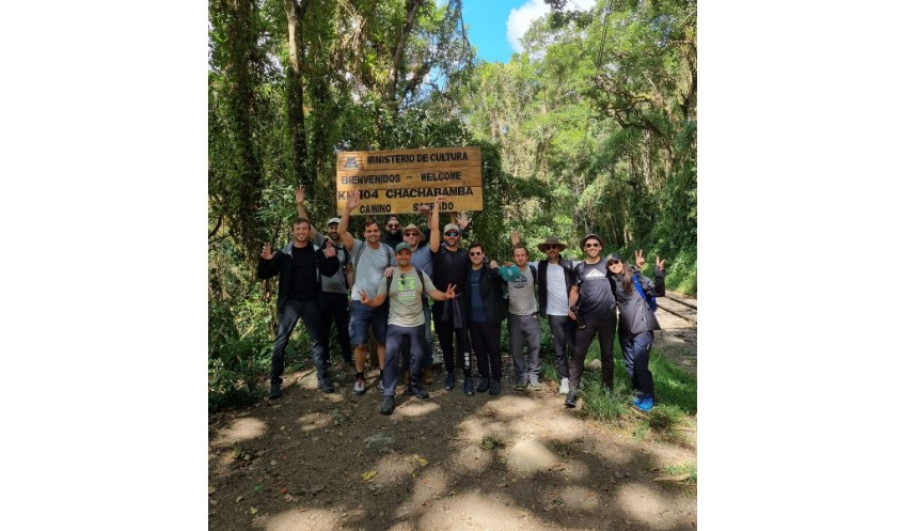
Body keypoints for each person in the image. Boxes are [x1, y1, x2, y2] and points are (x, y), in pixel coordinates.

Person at [359, 242, 457, 415]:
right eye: (400, 254)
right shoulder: (389, 277)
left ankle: (414, 385)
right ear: (396, 257)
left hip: (417, 323)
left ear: (409, 255)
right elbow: (380, 299)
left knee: (418, 355)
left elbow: (433, 292)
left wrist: (445, 295)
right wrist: (369, 301)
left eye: (406, 253)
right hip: (396, 323)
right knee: (390, 356)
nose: (403, 256)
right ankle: (389, 395)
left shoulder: (419, 274)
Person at [257, 218, 340, 399]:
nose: (301, 231)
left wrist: (332, 258)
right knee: (281, 341)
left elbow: (329, 271)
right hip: (291, 303)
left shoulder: (316, 251)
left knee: (318, 341)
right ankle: (275, 383)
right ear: (293, 231)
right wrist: (264, 261)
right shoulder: (285, 253)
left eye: (304, 229)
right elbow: (264, 274)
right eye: (298, 229)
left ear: (308, 231)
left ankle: (323, 377)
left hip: (311, 301)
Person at [337, 190, 395, 395]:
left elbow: (397, 271)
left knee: (382, 340)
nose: (372, 233)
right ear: (364, 234)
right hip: (359, 303)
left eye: (375, 231)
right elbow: (342, 231)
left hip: (380, 302)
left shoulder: (388, 251)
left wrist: (392, 269)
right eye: (369, 231)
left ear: (380, 232)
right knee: (360, 343)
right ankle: (360, 378)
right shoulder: (357, 248)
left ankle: (383, 375)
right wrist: (349, 209)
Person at [294, 188, 354, 366]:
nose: (334, 229)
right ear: (328, 229)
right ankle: (325, 360)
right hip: (323, 294)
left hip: (341, 295)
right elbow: (307, 227)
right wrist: (300, 204)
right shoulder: (322, 243)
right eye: (331, 227)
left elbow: (349, 270)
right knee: (324, 329)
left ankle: (347, 358)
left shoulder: (345, 247)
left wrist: (351, 292)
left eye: (337, 226)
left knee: (344, 328)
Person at [512, 232, 576, 395]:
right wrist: (516, 245)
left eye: (554, 246)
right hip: (554, 313)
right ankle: (564, 379)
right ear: (545, 251)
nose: (552, 249)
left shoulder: (569, 265)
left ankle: (576, 378)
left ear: (559, 248)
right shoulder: (540, 266)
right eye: (548, 247)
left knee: (574, 346)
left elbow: (589, 267)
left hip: (571, 312)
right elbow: (521, 261)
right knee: (559, 348)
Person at [607, 250, 665, 412]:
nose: (614, 266)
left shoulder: (636, 277)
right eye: (610, 264)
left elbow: (658, 291)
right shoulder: (611, 281)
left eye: (616, 262)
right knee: (630, 365)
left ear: (622, 263)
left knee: (640, 365)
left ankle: (649, 396)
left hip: (643, 328)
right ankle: (639, 392)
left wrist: (659, 273)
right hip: (625, 329)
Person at [429, 196, 474, 395]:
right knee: (445, 340)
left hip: (461, 302)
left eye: (455, 233)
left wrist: (492, 263)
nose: (452, 236)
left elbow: (481, 259)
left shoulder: (466, 254)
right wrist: (436, 206)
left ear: (459, 235)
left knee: (464, 340)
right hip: (441, 302)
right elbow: (435, 230)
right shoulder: (438, 253)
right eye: (448, 234)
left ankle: (468, 375)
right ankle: (449, 373)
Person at [565, 233, 617, 408]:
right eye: (588, 245)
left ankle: (607, 390)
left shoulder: (609, 266)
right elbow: (574, 291)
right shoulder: (579, 268)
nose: (592, 247)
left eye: (595, 244)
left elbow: (623, 282)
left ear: (600, 247)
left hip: (608, 318)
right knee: (578, 355)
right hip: (586, 318)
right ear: (584, 248)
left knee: (607, 355)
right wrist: (570, 307)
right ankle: (572, 392)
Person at [465, 242, 507, 395]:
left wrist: (496, 267)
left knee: (494, 350)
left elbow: (504, 280)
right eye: (472, 254)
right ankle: (484, 377)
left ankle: (496, 379)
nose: (475, 256)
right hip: (473, 320)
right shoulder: (467, 273)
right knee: (479, 350)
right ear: (469, 256)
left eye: (478, 253)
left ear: (483, 254)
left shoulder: (490, 270)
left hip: (490, 318)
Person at [396, 223, 436, 386]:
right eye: (408, 234)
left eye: (414, 234)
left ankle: (427, 367)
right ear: (404, 237)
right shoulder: (398, 254)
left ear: (419, 237)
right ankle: (408, 368)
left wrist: (459, 229)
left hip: (422, 301)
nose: (411, 236)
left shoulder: (427, 251)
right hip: (403, 303)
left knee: (426, 336)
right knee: (405, 338)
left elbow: (438, 235)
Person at [499, 245, 542, 390]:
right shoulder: (509, 271)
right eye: (517, 255)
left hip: (531, 315)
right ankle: (522, 376)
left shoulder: (533, 270)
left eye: (523, 255)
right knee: (516, 348)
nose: (520, 258)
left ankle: (534, 375)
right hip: (514, 316)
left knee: (535, 347)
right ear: (513, 257)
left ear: (527, 256)